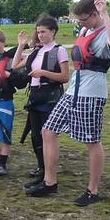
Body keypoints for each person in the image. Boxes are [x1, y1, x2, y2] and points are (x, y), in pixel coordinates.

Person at [26, 0, 110, 205]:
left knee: (91, 141)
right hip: (73, 91)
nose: (80, 24)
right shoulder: (86, 30)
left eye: (83, 20)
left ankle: (92, 190)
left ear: (95, 15)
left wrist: (105, 12)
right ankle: (49, 182)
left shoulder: (105, 31)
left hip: (92, 94)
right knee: (48, 131)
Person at [13, 18, 70, 182]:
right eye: (38, 32)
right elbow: (16, 64)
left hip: (50, 97)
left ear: (53, 31)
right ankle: (41, 168)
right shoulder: (36, 52)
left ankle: (49, 173)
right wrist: (21, 44)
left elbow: (65, 77)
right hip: (35, 97)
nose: (40, 35)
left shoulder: (59, 50)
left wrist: (43, 73)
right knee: (36, 136)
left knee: (48, 136)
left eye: (43, 31)